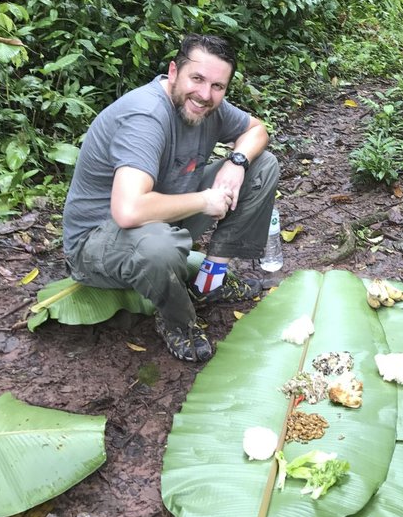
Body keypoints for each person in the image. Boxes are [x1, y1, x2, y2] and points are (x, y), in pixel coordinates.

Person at [63, 33, 280, 362]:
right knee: (158, 246)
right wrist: (206, 201)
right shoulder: (146, 117)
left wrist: (236, 163)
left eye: (218, 86)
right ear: (174, 72)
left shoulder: (208, 106)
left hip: (164, 219)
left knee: (261, 164)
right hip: (99, 243)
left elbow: (258, 130)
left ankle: (212, 282)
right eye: (197, 79)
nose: (205, 94)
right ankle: (178, 321)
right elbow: (129, 210)